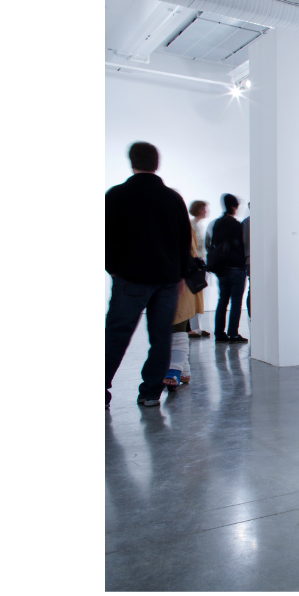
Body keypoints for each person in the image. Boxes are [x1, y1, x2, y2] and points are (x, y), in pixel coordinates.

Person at [105, 142, 192, 410]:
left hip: (130, 278)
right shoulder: (172, 198)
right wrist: (180, 275)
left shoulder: (117, 195)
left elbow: (105, 237)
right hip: (166, 280)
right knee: (161, 337)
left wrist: (113, 269)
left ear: (132, 162)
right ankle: (151, 392)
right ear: (157, 163)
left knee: (117, 336)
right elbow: (183, 241)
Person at [166, 219, 205, 389]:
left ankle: (175, 368)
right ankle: (184, 371)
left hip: (181, 279)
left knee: (177, 325)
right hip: (175, 278)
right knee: (173, 325)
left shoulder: (180, 222)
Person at [208, 193, 248, 343]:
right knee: (236, 302)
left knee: (222, 300)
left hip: (221, 268)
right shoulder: (236, 224)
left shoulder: (217, 223)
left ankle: (219, 333)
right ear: (233, 206)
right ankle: (233, 334)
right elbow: (241, 245)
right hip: (236, 267)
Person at [187, 200, 211, 337]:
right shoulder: (191, 225)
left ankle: (196, 327)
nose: (206, 211)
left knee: (199, 297)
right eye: (204, 208)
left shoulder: (198, 225)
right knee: (194, 296)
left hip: (200, 265)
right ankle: (193, 327)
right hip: (195, 266)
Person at [241, 202, 250, 319]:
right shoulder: (246, 223)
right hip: (250, 260)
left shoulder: (245, 222)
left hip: (249, 259)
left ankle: (252, 315)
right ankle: (252, 315)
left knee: (252, 288)